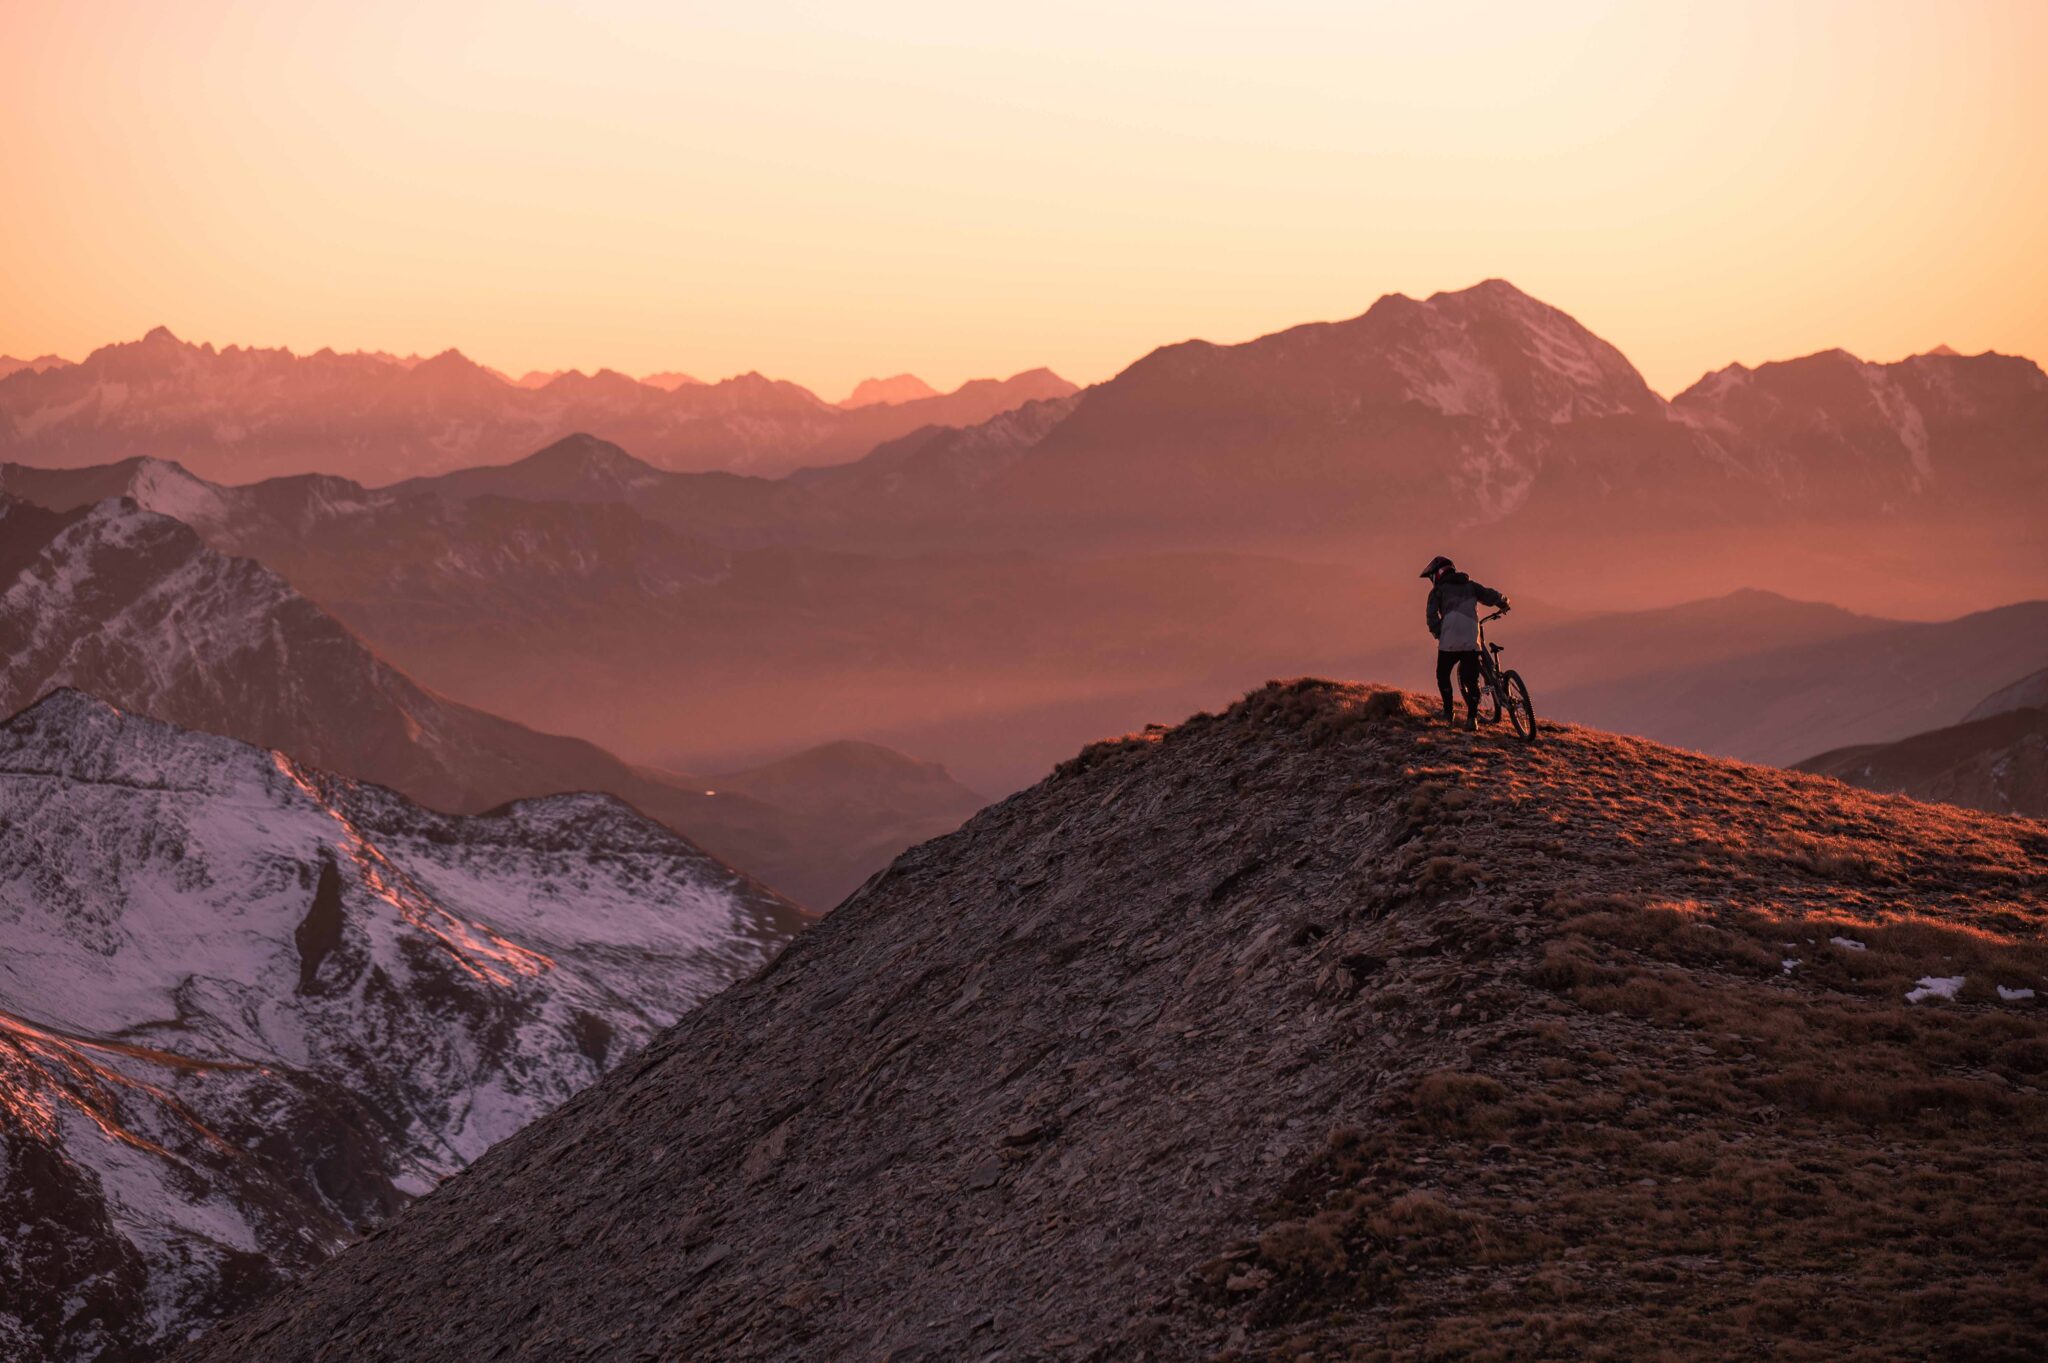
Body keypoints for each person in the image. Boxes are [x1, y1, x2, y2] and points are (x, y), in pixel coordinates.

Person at [1420, 555, 1509, 730]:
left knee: (1443, 674)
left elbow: (1431, 617)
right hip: (1471, 637)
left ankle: (1448, 713)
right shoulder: (1471, 586)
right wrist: (1504, 602)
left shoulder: (1437, 591)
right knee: (1472, 679)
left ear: (1437, 574)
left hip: (1449, 639)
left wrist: (1439, 633)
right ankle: (1472, 719)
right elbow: (1491, 595)